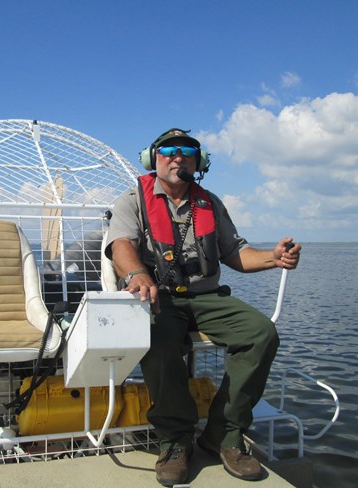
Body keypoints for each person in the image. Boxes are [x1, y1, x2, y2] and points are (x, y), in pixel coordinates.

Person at [104, 128, 301, 486]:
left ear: (199, 162)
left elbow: (236, 253)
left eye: (187, 151)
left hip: (207, 296)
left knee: (261, 333)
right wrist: (136, 273)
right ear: (154, 159)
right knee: (156, 339)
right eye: (168, 150)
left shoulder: (210, 202)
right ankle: (176, 441)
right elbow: (121, 245)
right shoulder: (132, 199)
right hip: (158, 296)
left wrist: (273, 257)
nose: (178, 156)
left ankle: (223, 434)